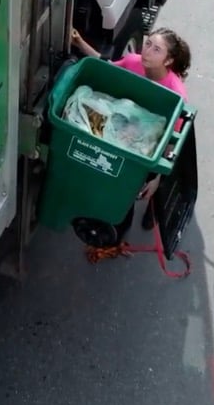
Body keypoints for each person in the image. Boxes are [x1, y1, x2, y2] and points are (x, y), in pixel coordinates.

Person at [69, 26, 192, 243]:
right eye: (148, 43)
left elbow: (171, 144)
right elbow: (107, 67)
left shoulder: (176, 93)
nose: (147, 51)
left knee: (144, 189)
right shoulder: (134, 61)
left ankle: (151, 213)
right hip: (126, 130)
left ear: (168, 60)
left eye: (157, 50)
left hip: (153, 146)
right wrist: (79, 42)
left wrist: (157, 179)